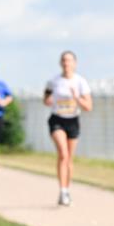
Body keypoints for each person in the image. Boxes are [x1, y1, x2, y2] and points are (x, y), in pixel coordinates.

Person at [44, 51, 92, 205]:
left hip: (73, 121)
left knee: (69, 158)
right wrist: (49, 100)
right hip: (57, 119)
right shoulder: (53, 81)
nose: (66, 63)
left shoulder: (80, 82)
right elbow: (45, 99)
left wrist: (76, 97)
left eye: (69, 60)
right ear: (60, 63)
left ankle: (66, 189)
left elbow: (88, 107)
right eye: (64, 60)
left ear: (75, 63)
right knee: (63, 154)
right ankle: (63, 191)